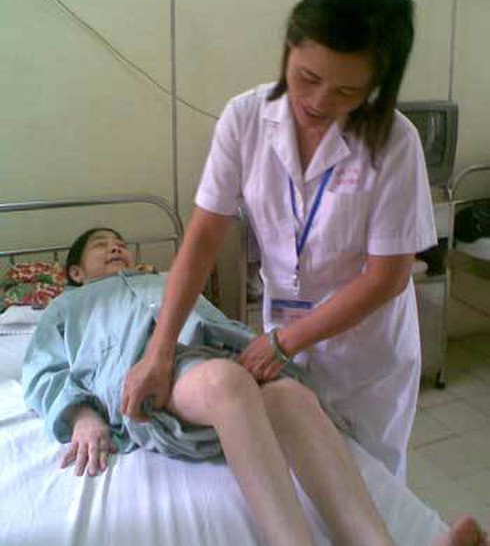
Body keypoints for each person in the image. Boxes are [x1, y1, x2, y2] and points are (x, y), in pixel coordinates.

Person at [121, 0, 437, 480]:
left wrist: (287, 341)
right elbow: (203, 238)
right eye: (307, 77)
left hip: (365, 356)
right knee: (298, 472)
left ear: (375, 88)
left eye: (347, 91)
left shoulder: (396, 142)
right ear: (289, 46)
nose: (319, 101)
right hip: (284, 337)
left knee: (370, 480)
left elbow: (387, 278)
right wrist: (159, 352)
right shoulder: (244, 119)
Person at [22, 228, 489, 546]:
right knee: (227, 383)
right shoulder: (67, 309)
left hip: (219, 358)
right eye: (101, 246)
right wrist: (83, 416)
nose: (116, 248)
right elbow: (43, 371)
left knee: (291, 396)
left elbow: (213, 321)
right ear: (75, 273)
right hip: (150, 378)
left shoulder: (166, 281)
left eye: (121, 244)